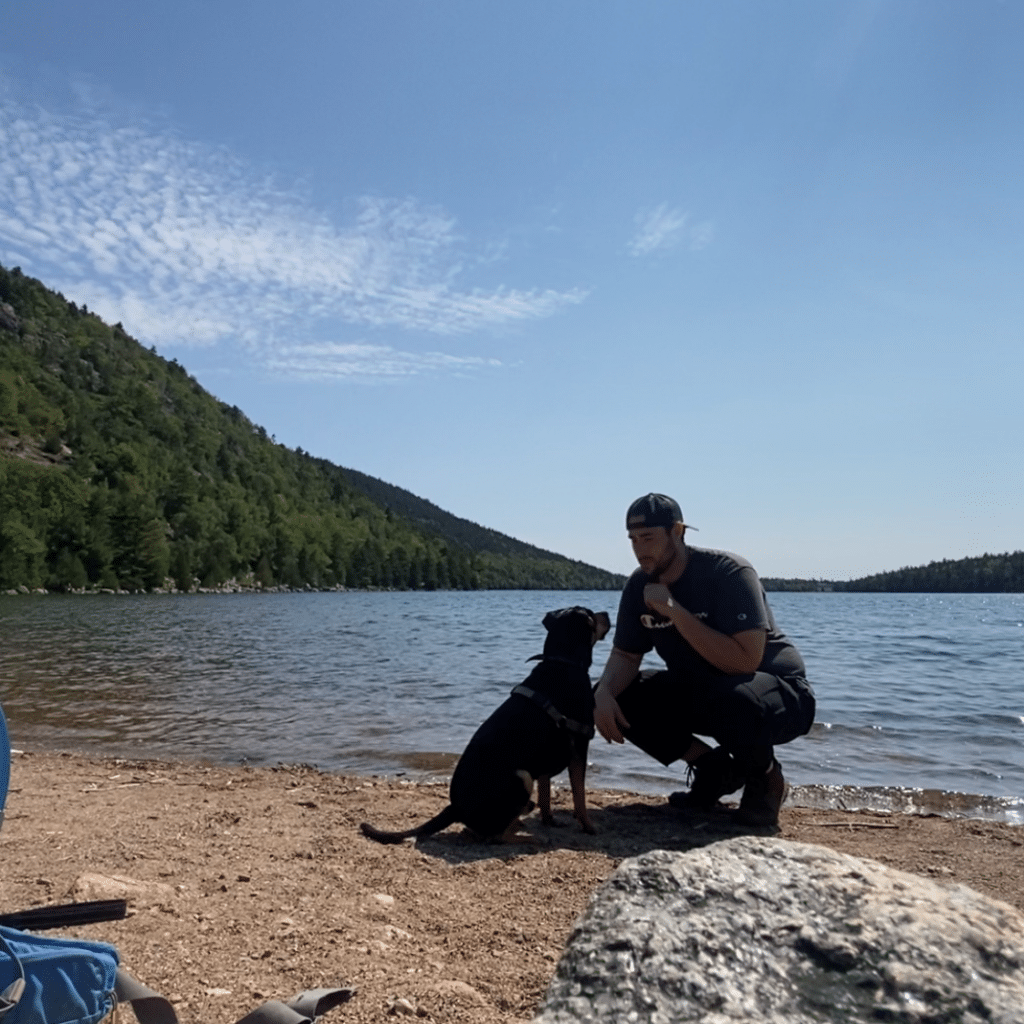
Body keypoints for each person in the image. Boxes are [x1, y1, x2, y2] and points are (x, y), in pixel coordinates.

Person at [594, 493, 815, 827]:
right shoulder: (639, 585)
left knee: (736, 698)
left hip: (777, 694)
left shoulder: (728, 572)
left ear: (678, 532)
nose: (640, 549)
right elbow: (626, 654)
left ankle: (766, 779)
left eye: (649, 538)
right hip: (704, 690)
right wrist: (603, 693)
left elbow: (743, 662)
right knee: (617, 694)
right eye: (633, 540)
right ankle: (714, 769)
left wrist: (674, 611)